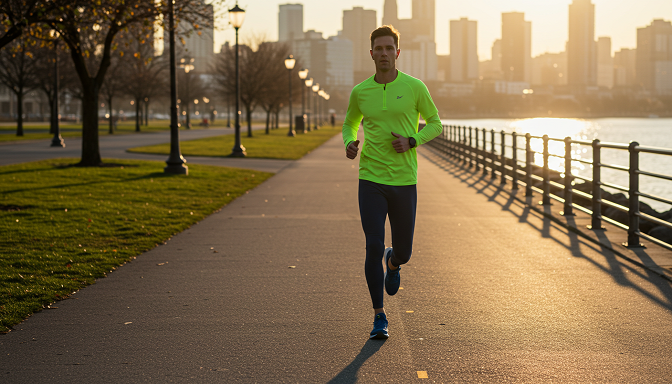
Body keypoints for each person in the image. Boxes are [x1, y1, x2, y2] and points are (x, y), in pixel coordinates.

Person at [342, 25, 443, 339]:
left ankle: (394, 262)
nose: (384, 53)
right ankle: (378, 316)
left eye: (389, 48)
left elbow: (436, 124)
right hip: (370, 178)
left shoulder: (414, 87)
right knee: (372, 244)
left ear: (397, 53)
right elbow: (350, 123)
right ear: (371, 53)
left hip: (404, 181)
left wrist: (412, 140)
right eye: (378, 49)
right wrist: (349, 142)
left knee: (404, 252)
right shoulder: (360, 92)